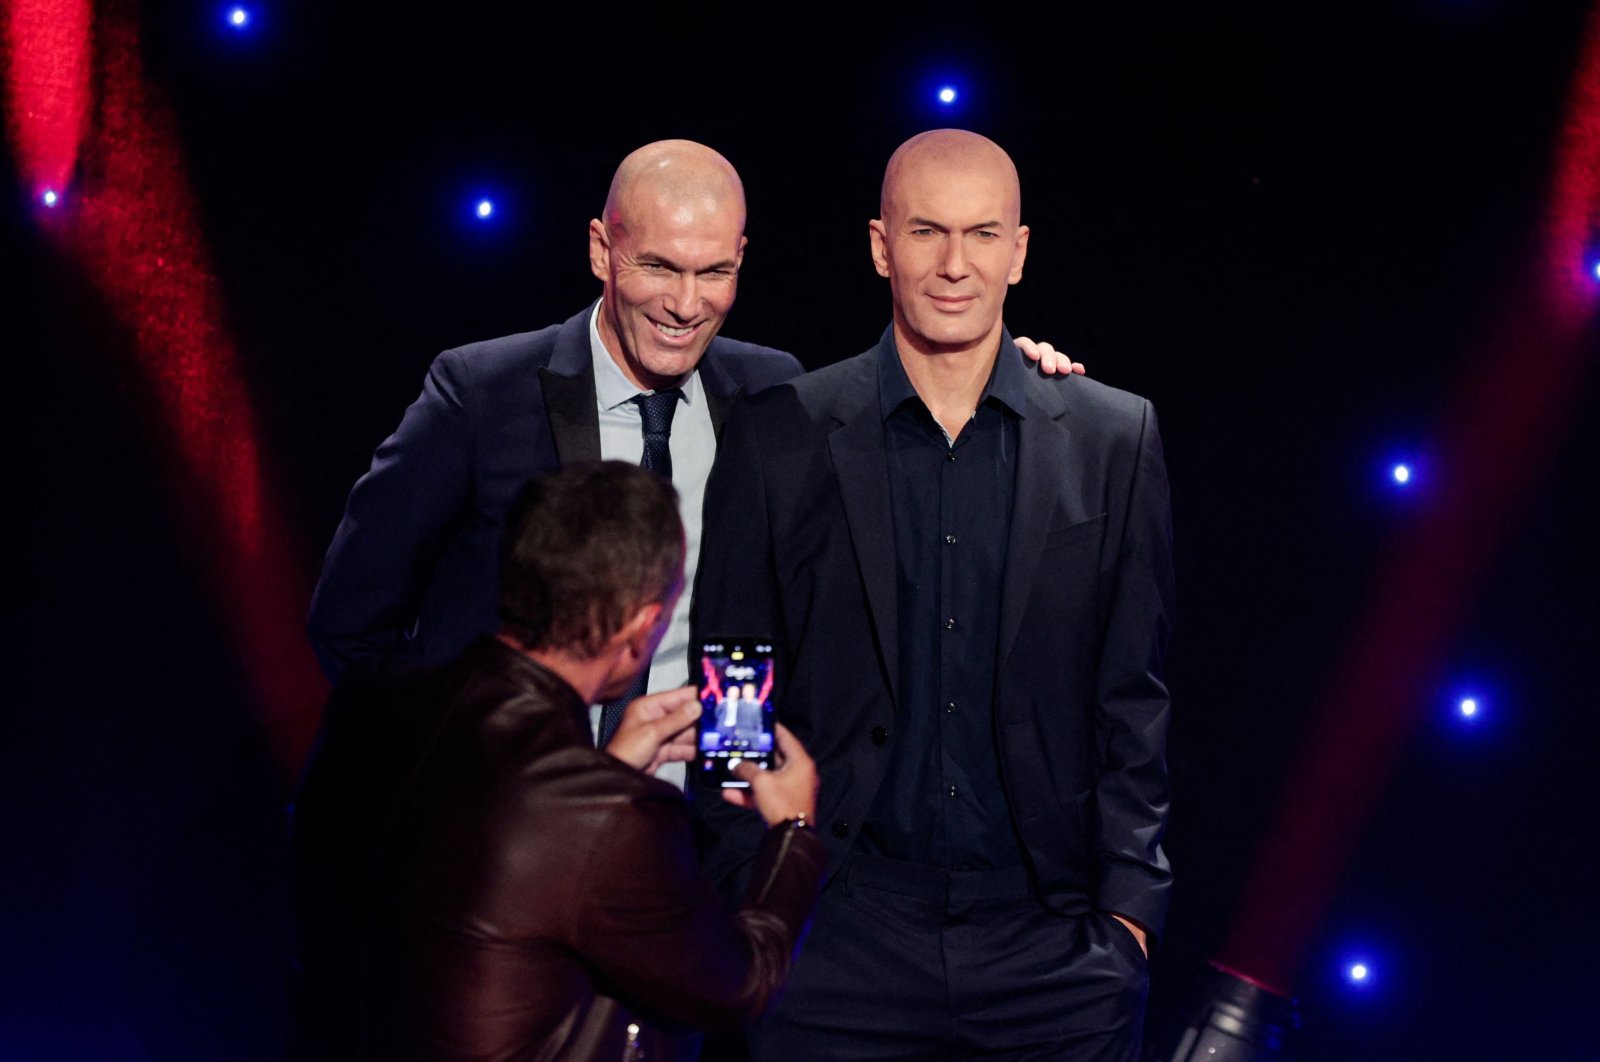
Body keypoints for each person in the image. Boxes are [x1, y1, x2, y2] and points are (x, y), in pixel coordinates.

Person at [306, 140, 1082, 762]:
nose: (686, 305)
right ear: (602, 250)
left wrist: (1002, 369)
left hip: (691, 842)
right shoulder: (483, 392)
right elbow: (352, 623)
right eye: (659, 267)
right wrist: (477, 761)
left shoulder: (769, 392)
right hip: (496, 831)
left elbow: (822, 563)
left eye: (715, 272)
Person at [693, 129, 1174, 1060]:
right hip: (836, 932)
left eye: (982, 235)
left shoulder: (1113, 438)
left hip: (1051, 939)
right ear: (881, 246)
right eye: (926, 233)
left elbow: (1134, 697)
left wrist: (1129, 921)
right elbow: (733, 681)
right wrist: (745, 891)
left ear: (1019, 251)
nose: (955, 265)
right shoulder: (779, 436)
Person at [290, 461, 825, 1061]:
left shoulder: (370, 703)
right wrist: (793, 834)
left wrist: (607, 773)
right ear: (643, 628)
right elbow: (737, 986)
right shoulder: (607, 812)